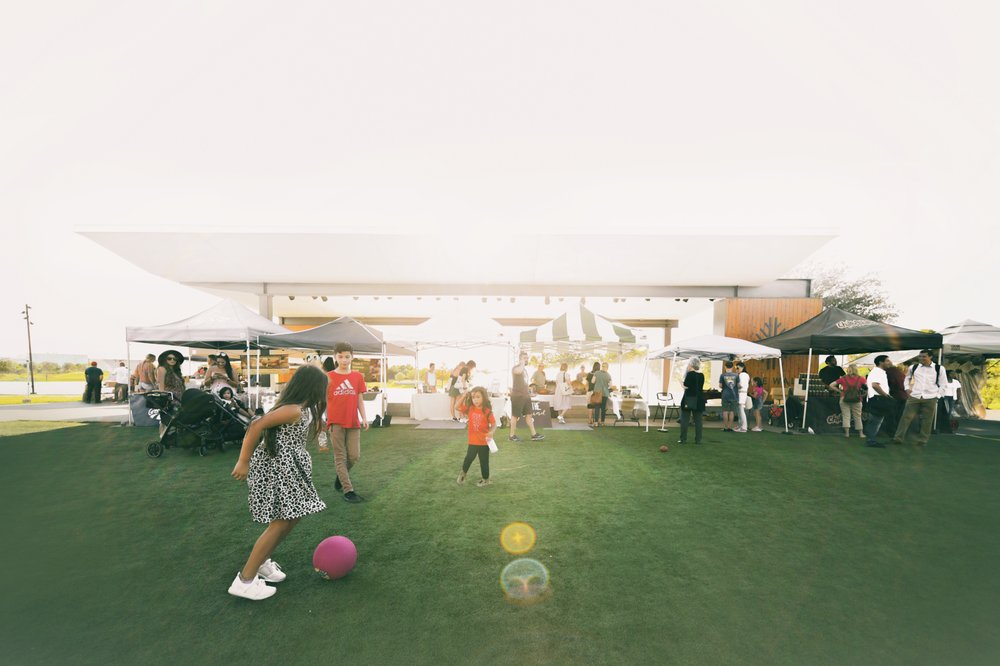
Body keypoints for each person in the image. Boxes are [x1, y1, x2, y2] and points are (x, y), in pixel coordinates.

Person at [228, 365, 328, 601]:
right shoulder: (293, 409)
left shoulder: (304, 409)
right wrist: (243, 461)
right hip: (279, 467)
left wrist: (321, 435)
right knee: (281, 521)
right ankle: (244, 581)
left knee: (292, 518)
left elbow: (312, 428)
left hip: (291, 467)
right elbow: (256, 425)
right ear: (312, 387)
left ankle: (261, 563)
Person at [325, 342, 368, 503]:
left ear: (352, 357)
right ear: (335, 357)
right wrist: (323, 420)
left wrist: (364, 417)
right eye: (341, 356)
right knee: (340, 457)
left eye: (347, 357)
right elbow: (323, 401)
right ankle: (348, 490)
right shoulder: (328, 377)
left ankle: (341, 476)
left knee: (354, 456)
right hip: (335, 422)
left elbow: (360, 400)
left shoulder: (357, 376)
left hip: (353, 422)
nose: (344, 360)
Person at [892, 349, 948, 447]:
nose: (921, 358)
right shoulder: (913, 367)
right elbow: (907, 378)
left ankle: (923, 440)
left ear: (930, 357)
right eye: (920, 356)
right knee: (905, 417)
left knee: (927, 420)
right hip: (915, 395)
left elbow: (943, 384)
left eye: (924, 356)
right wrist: (907, 389)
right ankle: (898, 438)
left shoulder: (939, 368)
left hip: (931, 396)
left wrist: (937, 396)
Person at [456, 386, 497, 487]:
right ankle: (463, 474)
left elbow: (494, 424)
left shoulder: (487, 411)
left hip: (484, 442)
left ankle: (485, 480)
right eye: (473, 397)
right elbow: (457, 407)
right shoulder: (470, 409)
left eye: (478, 397)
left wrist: (491, 432)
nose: (475, 400)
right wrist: (464, 396)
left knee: (484, 461)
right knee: (468, 458)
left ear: (484, 397)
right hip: (473, 441)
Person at [508, 351, 545, 442]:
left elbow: (524, 383)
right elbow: (518, 371)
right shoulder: (516, 368)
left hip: (525, 396)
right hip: (517, 396)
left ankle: (534, 434)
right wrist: (522, 363)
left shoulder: (524, 370)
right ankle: (512, 436)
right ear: (520, 359)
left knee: (529, 415)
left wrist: (529, 393)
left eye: (527, 358)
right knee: (515, 416)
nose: (526, 359)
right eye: (524, 358)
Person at [863, 355, 894, 447]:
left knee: (875, 420)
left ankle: (871, 439)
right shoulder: (878, 372)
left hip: (875, 398)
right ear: (881, 362)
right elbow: (875, 385)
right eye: (887, 361)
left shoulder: (877, 371)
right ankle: (871, 440)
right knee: (876, 420)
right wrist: (886, 395)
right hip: (878, 398)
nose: (889, 362)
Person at [831, 363, 866, 438]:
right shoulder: (861, 378)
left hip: (844, 398)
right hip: (857, 399)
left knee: (846, 416)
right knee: (858, 416)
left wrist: (840, 391)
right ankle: (861, 434)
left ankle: (847, 434)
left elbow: (831, 385)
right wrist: (865, 393)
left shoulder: (843, 378)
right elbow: (869, 386)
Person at [678, 357, 705, 444]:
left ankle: (683, 439)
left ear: (691, 365)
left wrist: (680, 382)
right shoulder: (701, 375)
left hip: (689, 399)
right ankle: (698, 440)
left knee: (685, 420)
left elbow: (686, 386)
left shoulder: (689, 374)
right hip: (699, 400)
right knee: (698, 422)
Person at [885, 361, 908, 434]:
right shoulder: (901, 374)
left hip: (893, 396)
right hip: (903, 396)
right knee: (900, 415)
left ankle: (892, 432)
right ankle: (900, 431)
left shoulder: (887, 373)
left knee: (891, 415)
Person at [719, 361, 740, 432]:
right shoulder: (736, 375)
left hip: (725, 395)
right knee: (732, 411)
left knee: (725, 411)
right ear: (732, 367)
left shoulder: (722, 375)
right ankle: (729, 427)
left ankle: (725, 427)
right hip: (734, 395)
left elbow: (720, 386)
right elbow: (738, 385)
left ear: (725, 367)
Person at [734, 361, 750, 433]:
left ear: (742, 367)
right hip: (741, 393)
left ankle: (743, 427)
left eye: (738, 368)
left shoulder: (743, 375)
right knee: (739, 411)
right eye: (736, 368)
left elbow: (740, 386)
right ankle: (740, 425)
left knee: (741, 411)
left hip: (741, 394)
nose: (736, 370)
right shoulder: (744, 375)